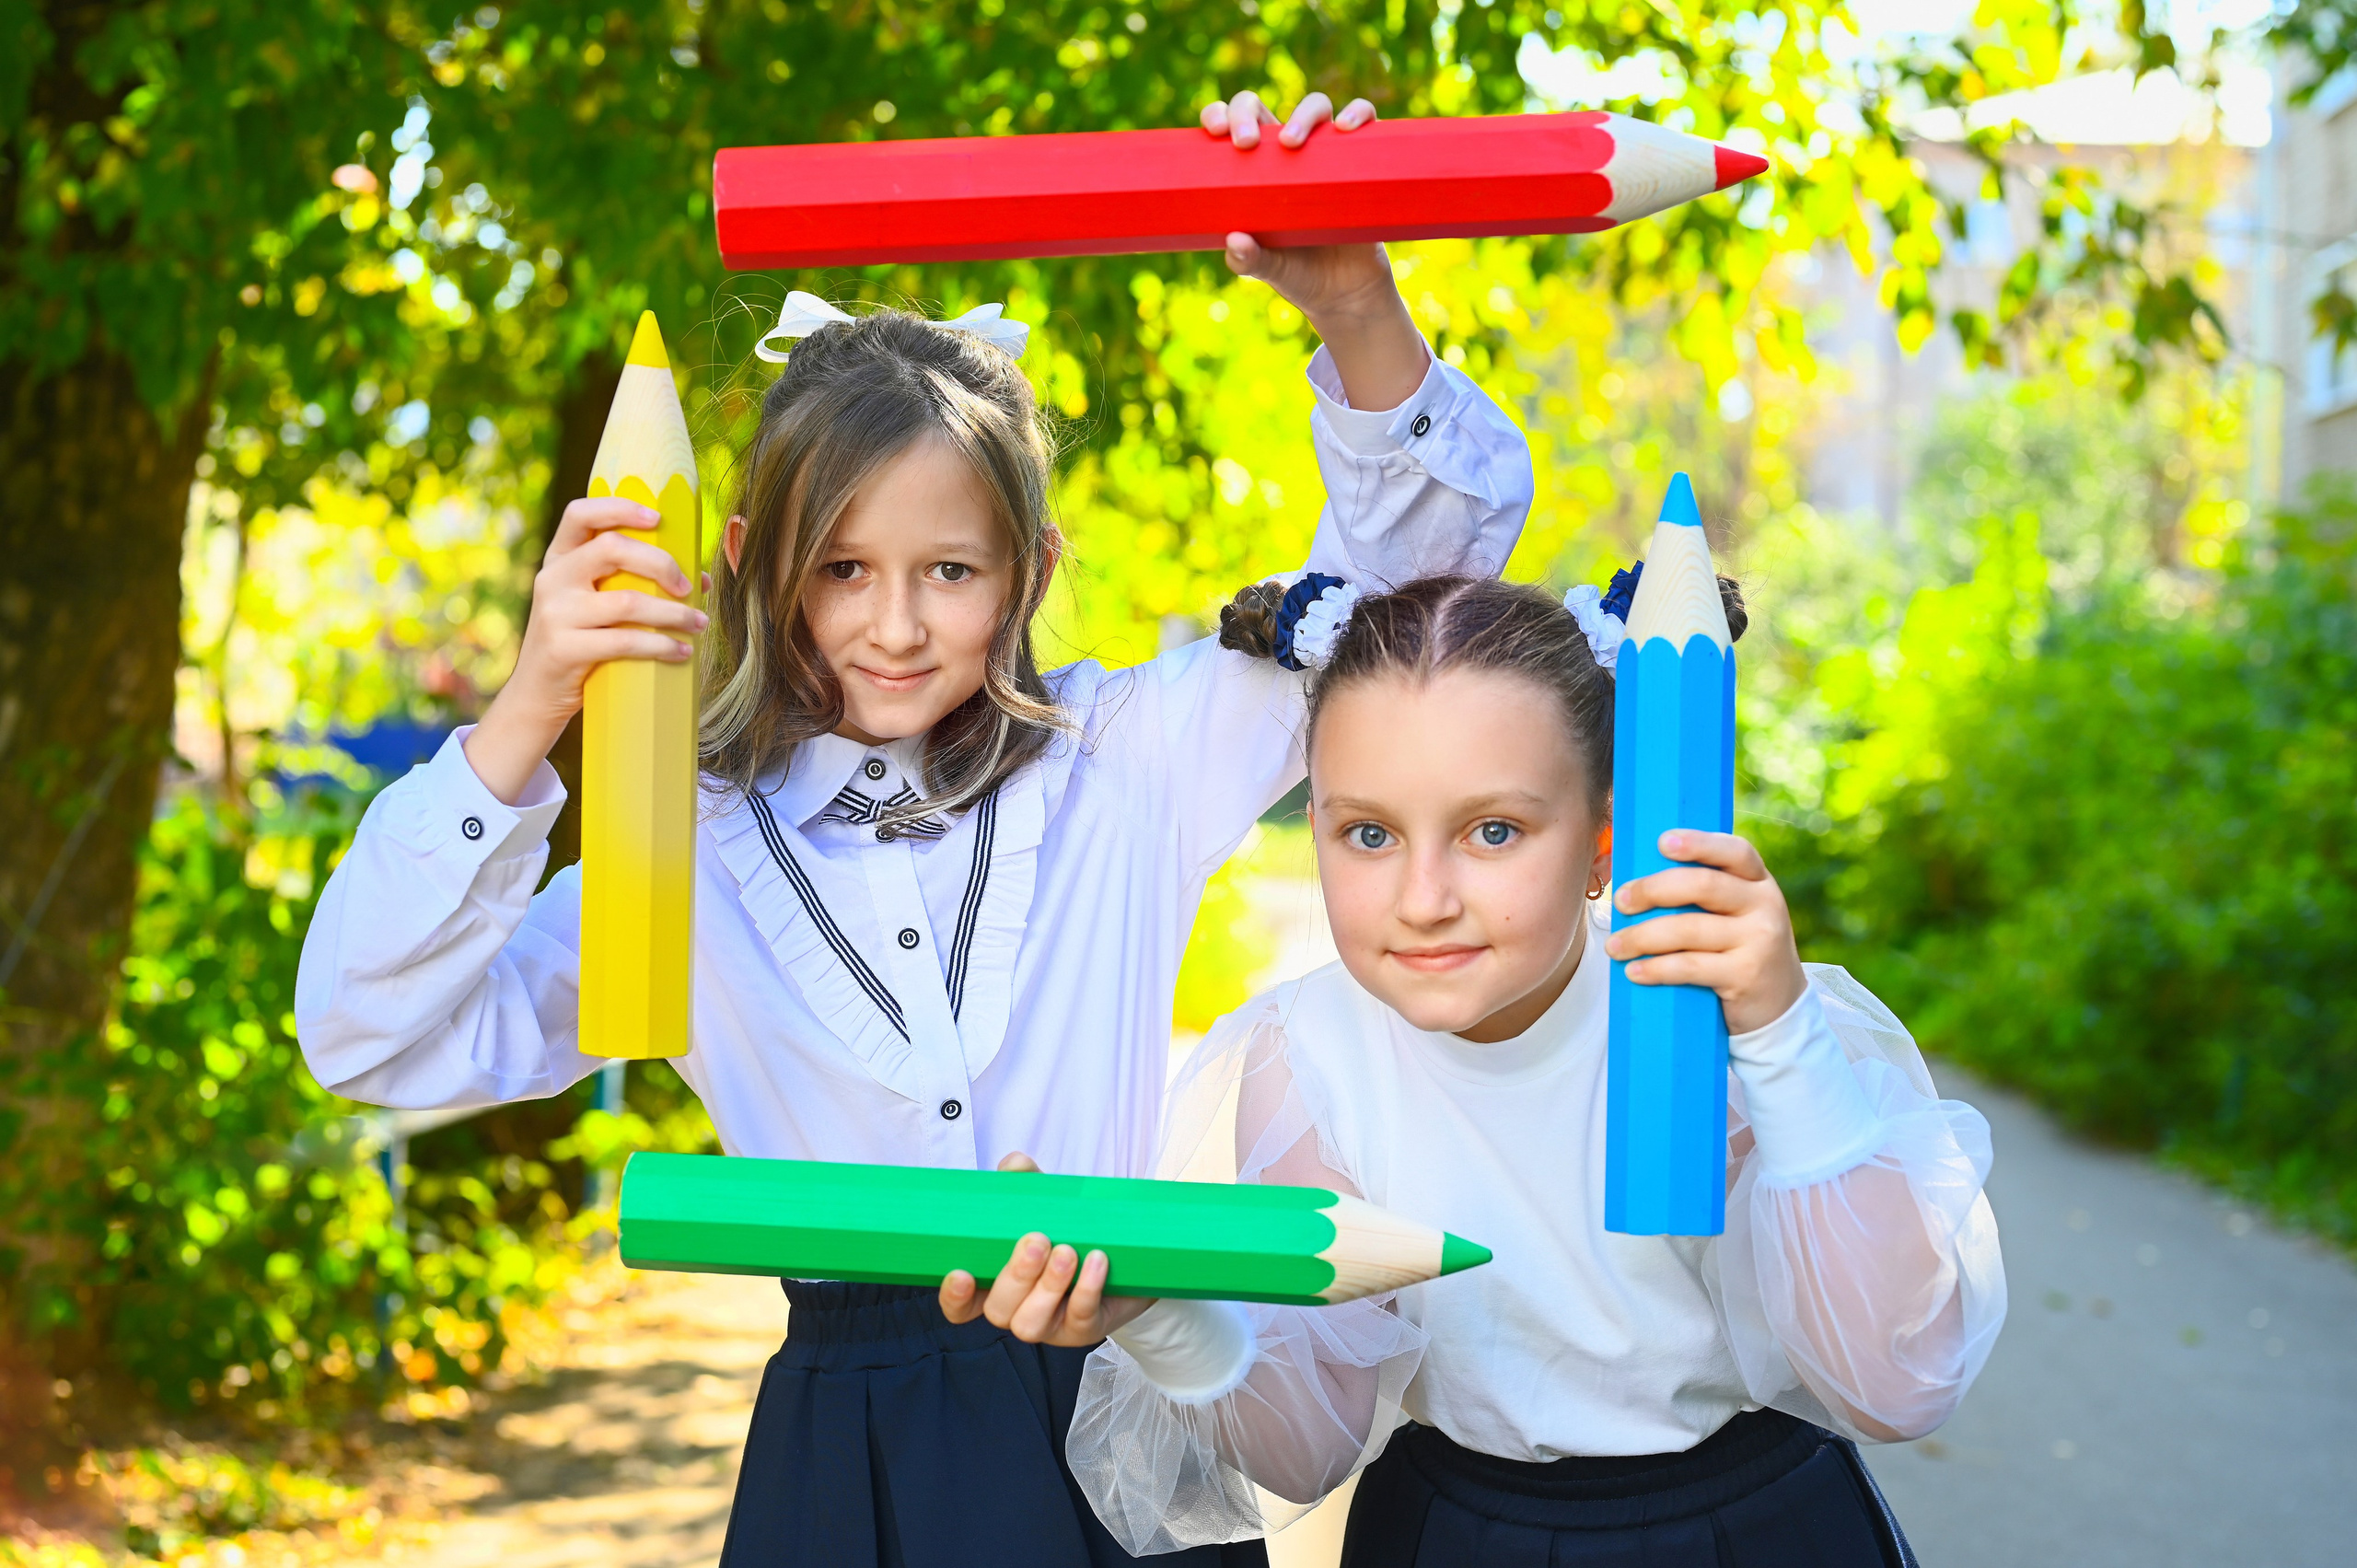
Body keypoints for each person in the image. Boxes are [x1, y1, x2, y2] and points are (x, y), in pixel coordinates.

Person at [294, 92, 1535, 1568]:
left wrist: (1353, 303)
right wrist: (528, 708)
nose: (893, 623)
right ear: (754, 564)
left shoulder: (1128, 756)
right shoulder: (673, 843)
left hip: (1120, 1379)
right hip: (850, 1438)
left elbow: (1411, 604)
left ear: (1028, 570)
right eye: (842, 568)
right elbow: (371, 1035)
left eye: (949, 567)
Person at [967, 574, 2006, 1566]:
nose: (1424, 896)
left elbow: (1895, 1386)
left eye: (1492, 830)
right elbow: (1310, 1442)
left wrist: (1781, 1039)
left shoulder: (1723, 1010)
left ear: (1604, 843)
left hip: (1746, 1527)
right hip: (1458, 1533)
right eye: (1367, 832)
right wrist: (1156, 1312)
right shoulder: (1310, 1054)